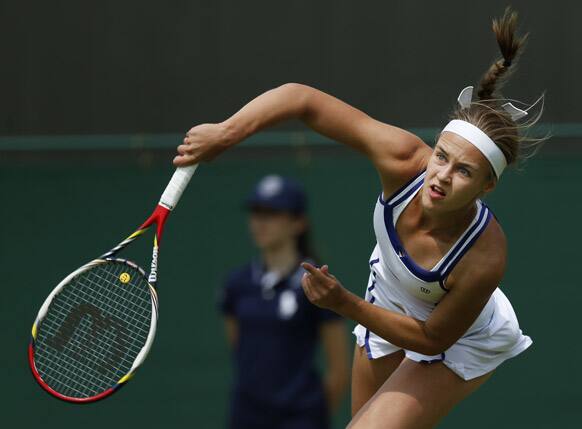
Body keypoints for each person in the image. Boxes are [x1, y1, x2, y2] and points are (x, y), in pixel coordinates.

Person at [176, 8, 544, 428]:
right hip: (387, 300)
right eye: (441, 156)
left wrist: (342, 303)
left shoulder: (485, 255)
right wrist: (228, 131)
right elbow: (302, 98)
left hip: (462, 340)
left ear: (486, 186)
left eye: (464, 171)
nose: (441, 175)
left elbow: (431, 338)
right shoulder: (404, 159)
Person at [218, 174, 350, 429]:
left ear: (298, 222)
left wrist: (312, 415)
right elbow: (238, 347)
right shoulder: (237, 284)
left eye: (272, 214)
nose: (260, 223)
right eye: (256, 213)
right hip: (246, 416)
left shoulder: (317, 283)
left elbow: (338, 371)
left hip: (301, 417)